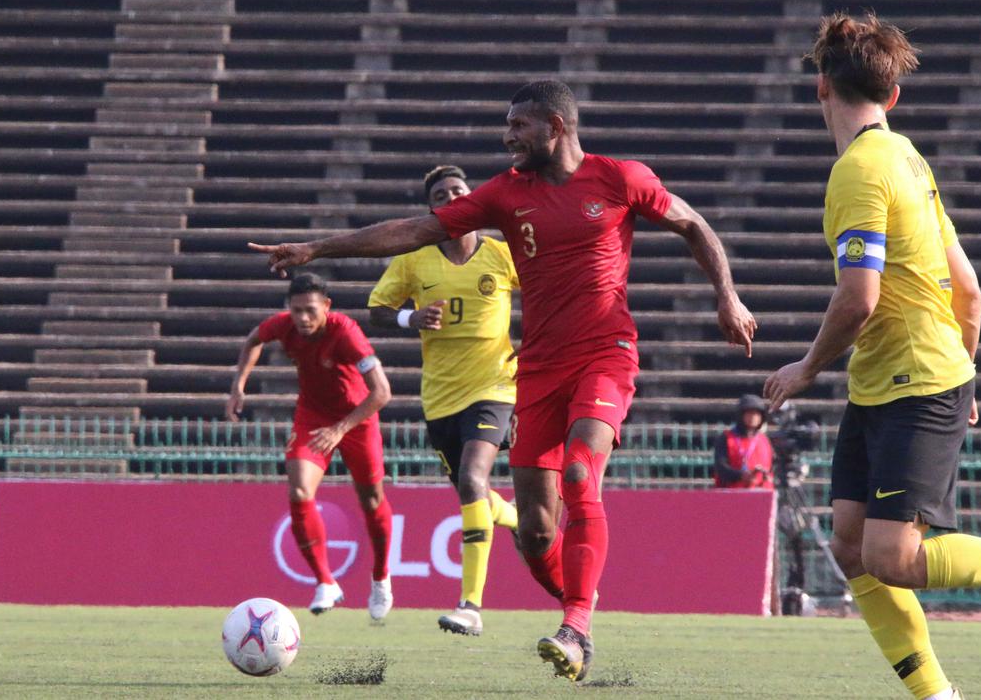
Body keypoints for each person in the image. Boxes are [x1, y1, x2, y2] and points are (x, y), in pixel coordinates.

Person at [249, 79, 757, 681]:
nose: (507, 136)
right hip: (537, 370)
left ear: (556, 127)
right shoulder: (505, 195)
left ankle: (575, 626)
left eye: (518, 126)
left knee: (578, 470)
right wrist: (317, 248)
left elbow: (693, 224)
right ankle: (578, 606)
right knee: (536, 533)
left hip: (606, 354)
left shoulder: (619, 178)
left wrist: (727, 297)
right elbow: (416, 230)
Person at [763, 13, 981, 700]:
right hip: (891, 383)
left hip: (914, 383)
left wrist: (805, 368)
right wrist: (966, 370)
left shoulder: (858, 173)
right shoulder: (907, 159)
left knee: (891, 557)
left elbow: (856, 300)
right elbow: (968, 288)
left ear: (819, 88)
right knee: (848, 542)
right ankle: (936, 695)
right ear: (891, 96)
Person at [367, 164, 521, 637]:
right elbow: (377, 311)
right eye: (441, 193)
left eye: (459, 189)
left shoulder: (501, 254)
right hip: (440, 398)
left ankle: (470, 605)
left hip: (495, 386)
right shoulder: (415, 259)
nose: (451, 195)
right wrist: (409, 319)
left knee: (475, 477)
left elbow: (543, 293)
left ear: (472, 197)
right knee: (473, 493)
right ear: (433, 209)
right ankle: (520, 518)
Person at [226, 273, 397, 621]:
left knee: (372, 500)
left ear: (327, 307)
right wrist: (238, 385)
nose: (303, 318)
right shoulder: (283, 325)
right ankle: (326, 581)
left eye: (310, 310)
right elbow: (253, 340)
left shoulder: (346, 332)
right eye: (297, 310)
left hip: (357, 419)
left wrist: (341, 429)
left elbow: (382, 391)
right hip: (313, 416)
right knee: (300, 489)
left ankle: (380, 578)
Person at [712, 394, 774, 490]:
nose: (753, 417)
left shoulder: (764, 440)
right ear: (741, 415)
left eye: (757, 414)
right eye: (749, 413)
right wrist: (741, 476)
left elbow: (771, 467)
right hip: (733, 494)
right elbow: (721, 467)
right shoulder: (727, 438)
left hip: (761, 494)